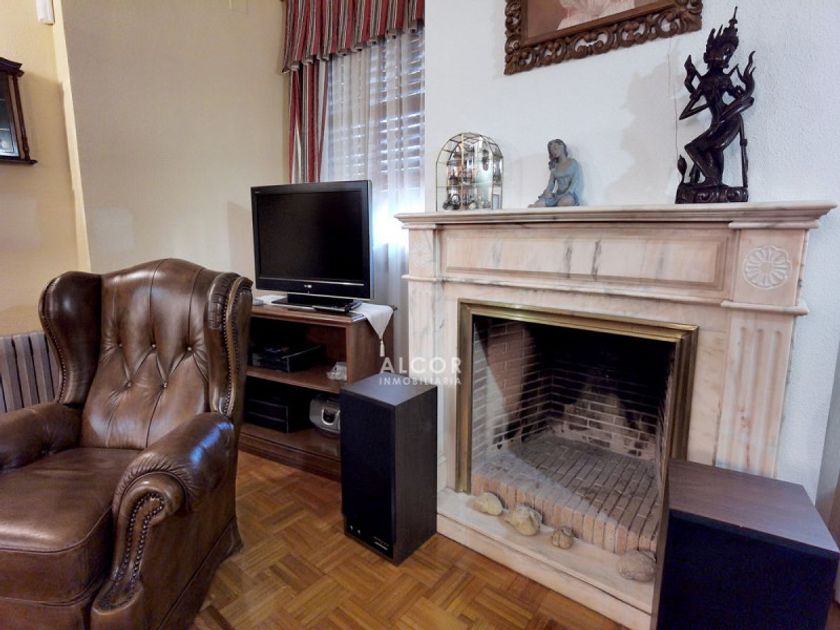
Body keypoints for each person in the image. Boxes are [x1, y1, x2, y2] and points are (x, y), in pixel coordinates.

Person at [530, 139, 581, 207]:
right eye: (552, 151)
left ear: (562, 146)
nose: (554, 152)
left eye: (555, 148)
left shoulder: (573, 163)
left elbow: (575, 181)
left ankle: (557, 206)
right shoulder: (554, 166)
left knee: (565, 202)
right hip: (557, 196)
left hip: (568, 195)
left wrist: (569, 192)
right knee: (539, 204)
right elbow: (551, 184)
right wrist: (547, 192)